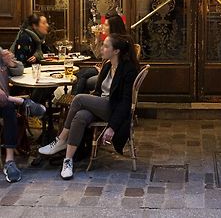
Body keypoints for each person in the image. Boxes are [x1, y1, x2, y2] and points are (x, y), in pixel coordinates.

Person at [38, 33, 139, 180]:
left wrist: (112, 127)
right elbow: (98, 91)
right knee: (80, 116)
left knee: (78, 99)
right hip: (102, 106)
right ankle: (68, 161)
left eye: (105, 46)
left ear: (116, 51)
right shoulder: (107, 66)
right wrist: (92, 103)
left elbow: (125, 103)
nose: (102, 48)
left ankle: (60, 139)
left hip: (115, 110)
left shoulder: (128, 70)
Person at [0, 48, 46, 183]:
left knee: (8, 108)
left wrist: (11, 62)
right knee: (8, 104)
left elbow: (19, 69)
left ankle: (9, 161)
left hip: (3, 102)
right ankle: (24, 103)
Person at [73, 12, 128, 95]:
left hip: (110, 75)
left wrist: (102, 70)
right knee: (81, 73)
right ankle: (79, 100)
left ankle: (74, 99)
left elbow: (119, 65)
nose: (102, 27)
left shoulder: (119, 42)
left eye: (105, 25)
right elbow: (98, 55)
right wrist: (97, 38)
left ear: (113, 27)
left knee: (83, 77)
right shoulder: (110, 39)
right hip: (105, 69)